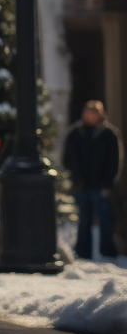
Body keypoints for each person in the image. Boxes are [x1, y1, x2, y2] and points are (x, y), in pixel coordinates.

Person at [63, 100, 122, 260]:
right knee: (84, 220)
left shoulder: (109, 134)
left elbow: (114, 161)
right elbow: (67, 159)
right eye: (88, 112)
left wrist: (108, 184)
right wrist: (75, 179)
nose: (91, 116)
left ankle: (108, 252)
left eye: (94, 113)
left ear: (100, 114)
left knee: (105, 219)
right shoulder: (75, 133)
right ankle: (83, 252)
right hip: (81, 185)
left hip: (101, 185)